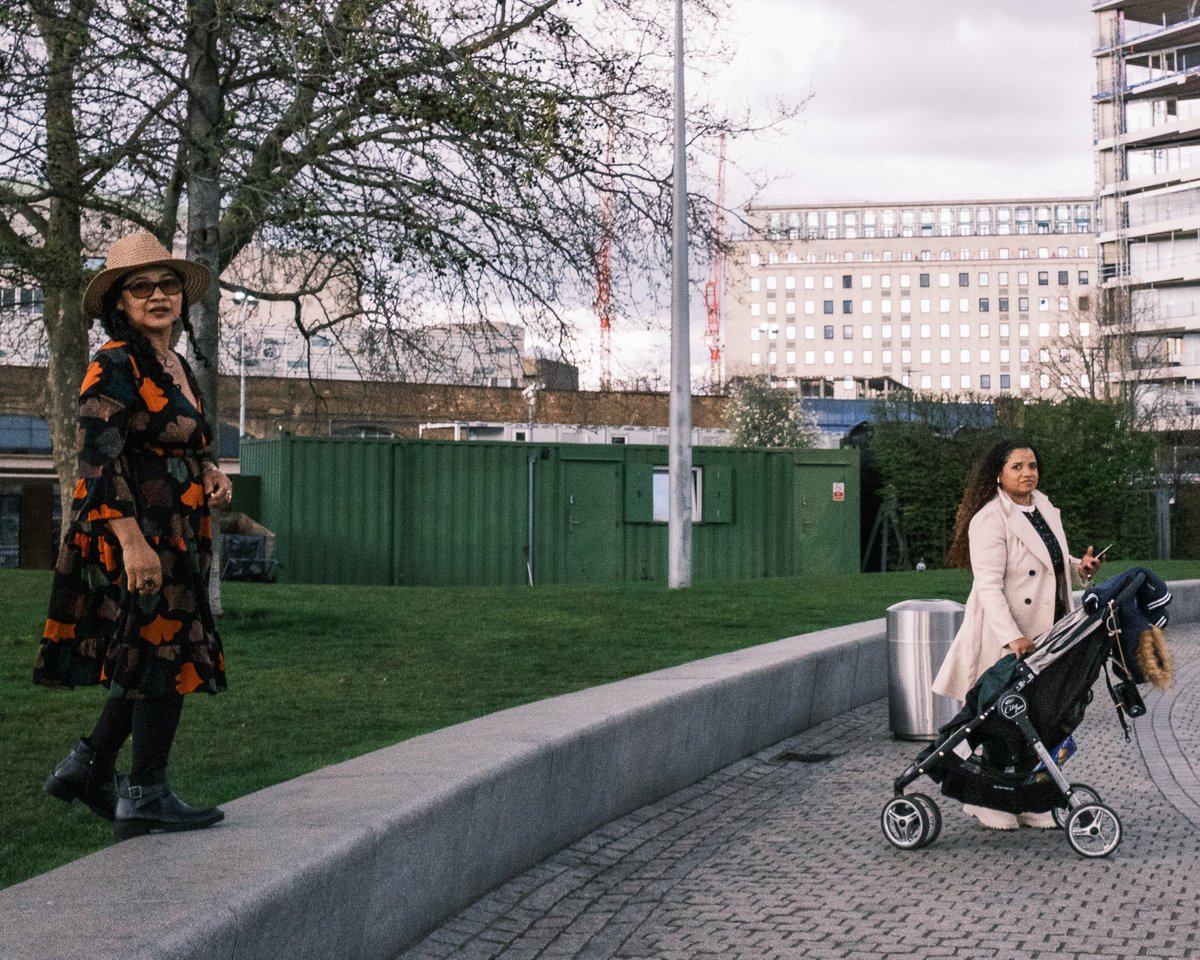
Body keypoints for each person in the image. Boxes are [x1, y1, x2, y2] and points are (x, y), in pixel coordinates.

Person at [34, 232, 233, 840]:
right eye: (140, 286)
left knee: (152, 650)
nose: (157, 295)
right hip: (135, 530)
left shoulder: (176, 363)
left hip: (177, 530)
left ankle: (90, 766)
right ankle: (143, 788)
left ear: (182, 297)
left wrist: (209, 469)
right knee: (164, 654)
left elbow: (181, 437)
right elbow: (97, 455)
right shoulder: (113, 362)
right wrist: (132, 542)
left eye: (167, 284)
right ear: (119, 302)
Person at [932, 438, 1103, 830]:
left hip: (1049, 629)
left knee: (1037, 717)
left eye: (1032, 465)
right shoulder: (990, 520)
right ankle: (985, 801)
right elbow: (988, 586)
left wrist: (1080, 568)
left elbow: (1049, 560)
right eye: (1017, 467)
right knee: (999, 718)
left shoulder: (1043, 507)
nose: (1028, 472)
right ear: (999, 473)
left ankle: (1025, 798)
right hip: (1006, 635)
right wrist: (1012, 637)